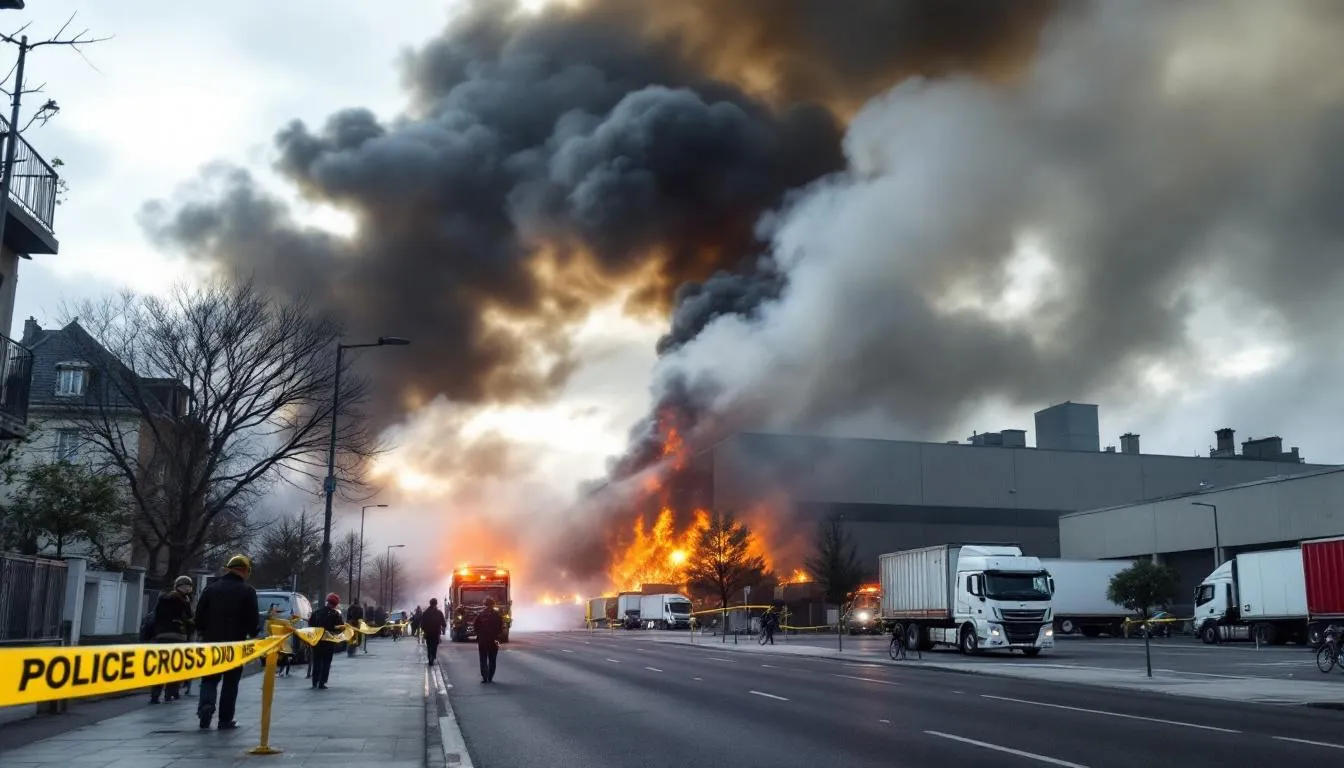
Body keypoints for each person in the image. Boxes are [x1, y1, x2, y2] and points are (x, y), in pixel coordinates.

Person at [194, 555, 260, 730]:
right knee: (230, 683)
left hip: (211, 643)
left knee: (209, 679)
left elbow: (199, 616)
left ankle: (206, 706)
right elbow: (252, 619)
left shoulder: (210, 589)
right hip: (235, 645)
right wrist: (253, 634)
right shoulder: (248, 591)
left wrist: (202, 632)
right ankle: (225, 719)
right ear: (245, 571)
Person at [148, 575, 196, 704]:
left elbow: (155, 616)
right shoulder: (184, 601)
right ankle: (171, 693)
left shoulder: (164, 598)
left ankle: (155, 695)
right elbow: (190, 619)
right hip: (178, 637)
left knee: (160, 666)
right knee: (175, 666)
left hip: (161, 636)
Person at [309, 593, 343, 689]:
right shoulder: (335, 615)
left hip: (317, 641)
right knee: (326, 662)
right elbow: (340, 628)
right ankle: (322, 682)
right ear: (335, 604)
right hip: (328, 642)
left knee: (317, 661)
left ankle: (314, 681)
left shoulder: (316, 612)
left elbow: (310, 625)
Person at [473, 597, 505, 683]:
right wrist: (498, 637)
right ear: (493, 604)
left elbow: (475, 626)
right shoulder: (497, 615)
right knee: (492, 659)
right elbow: (501, 627)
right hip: (494, 640)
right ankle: (490, 677)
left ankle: (485, 677)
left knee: (483, 658)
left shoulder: (481, 614)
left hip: (483, 640)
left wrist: (478, 635)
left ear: (485, 604)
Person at [420, 598, 447, 666]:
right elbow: (444, 623)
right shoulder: (439, 612)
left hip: (428, 632)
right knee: (435, 645)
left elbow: (422, 624)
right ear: (436, 604)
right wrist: (443, 628)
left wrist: (423, 629)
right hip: (436, 632)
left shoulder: (425, 613)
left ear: (430, 603)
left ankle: (430, 658)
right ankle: (433, 656)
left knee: (429, 646)